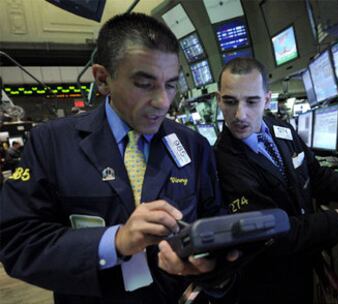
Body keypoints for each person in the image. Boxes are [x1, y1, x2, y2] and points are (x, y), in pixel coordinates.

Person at [0, 13, 223, 304]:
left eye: (170, 84)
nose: (163, 101)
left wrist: (208, 266)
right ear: (103, 79)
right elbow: (17, 242)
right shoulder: (52, 143)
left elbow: (215, 224)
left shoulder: (192, 145)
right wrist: (115, 242)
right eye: (145, 84)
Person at [214, 57, 338, 303]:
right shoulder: (223, 160)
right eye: (230, 101)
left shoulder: (281, 129)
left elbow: (317, 175)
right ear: (218, 99)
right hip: (268, 281)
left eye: (251, 101)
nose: (239, 114)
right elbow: (271, 232)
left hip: (303, 261)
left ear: (267, 99)